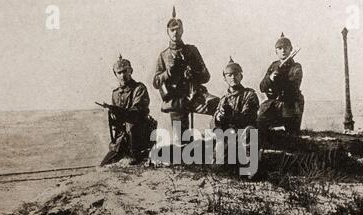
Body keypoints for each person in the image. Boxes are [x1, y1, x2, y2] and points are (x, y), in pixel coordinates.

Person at [153, 6, 210, 144]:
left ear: (183, 30)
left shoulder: (191, 50)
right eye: (172, 30)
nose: (175, 32)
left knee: (219, 107)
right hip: (176, 100)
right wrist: (168, 73)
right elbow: (156, 82)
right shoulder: (164, 55)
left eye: (178, 29)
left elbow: (206, 77)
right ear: (167, 32)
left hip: (195, 96)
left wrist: (194, 73)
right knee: (181, 141)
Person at [100, 55, 156, 166]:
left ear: (131, 71)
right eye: (119, 73)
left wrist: (118, 111)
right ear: (115, 74)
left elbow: (136, 113)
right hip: (123, 137)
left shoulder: (139, 88)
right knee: (105, 164)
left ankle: (136, 156)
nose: (122, 75)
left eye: (125, 71)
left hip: (141, 134)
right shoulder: (115, 93)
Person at [212, 57, 259, 168]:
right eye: (229, 75)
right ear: (224, 78)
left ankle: (250, 166)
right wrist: (219, 116)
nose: (233, 77)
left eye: (236, 74)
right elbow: (214, 122)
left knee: (250, 131)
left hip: (243, 133)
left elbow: (248, 117)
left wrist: (230, 115)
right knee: (218, 167)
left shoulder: (250, 94)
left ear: (241, 76)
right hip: (228, 135)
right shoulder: (223, 99)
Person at [257, 33, 304, 142]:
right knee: (260, 123)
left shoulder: (296, 67)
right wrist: (271, 78)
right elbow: (262, 87)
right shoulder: (274, 66)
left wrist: (280, 76)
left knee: (292, 137)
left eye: (286, 48)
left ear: (291, 49)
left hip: (290, 104)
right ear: (276, 51)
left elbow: (293, 88)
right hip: (274, 103)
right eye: (280, 48)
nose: (283, 51)